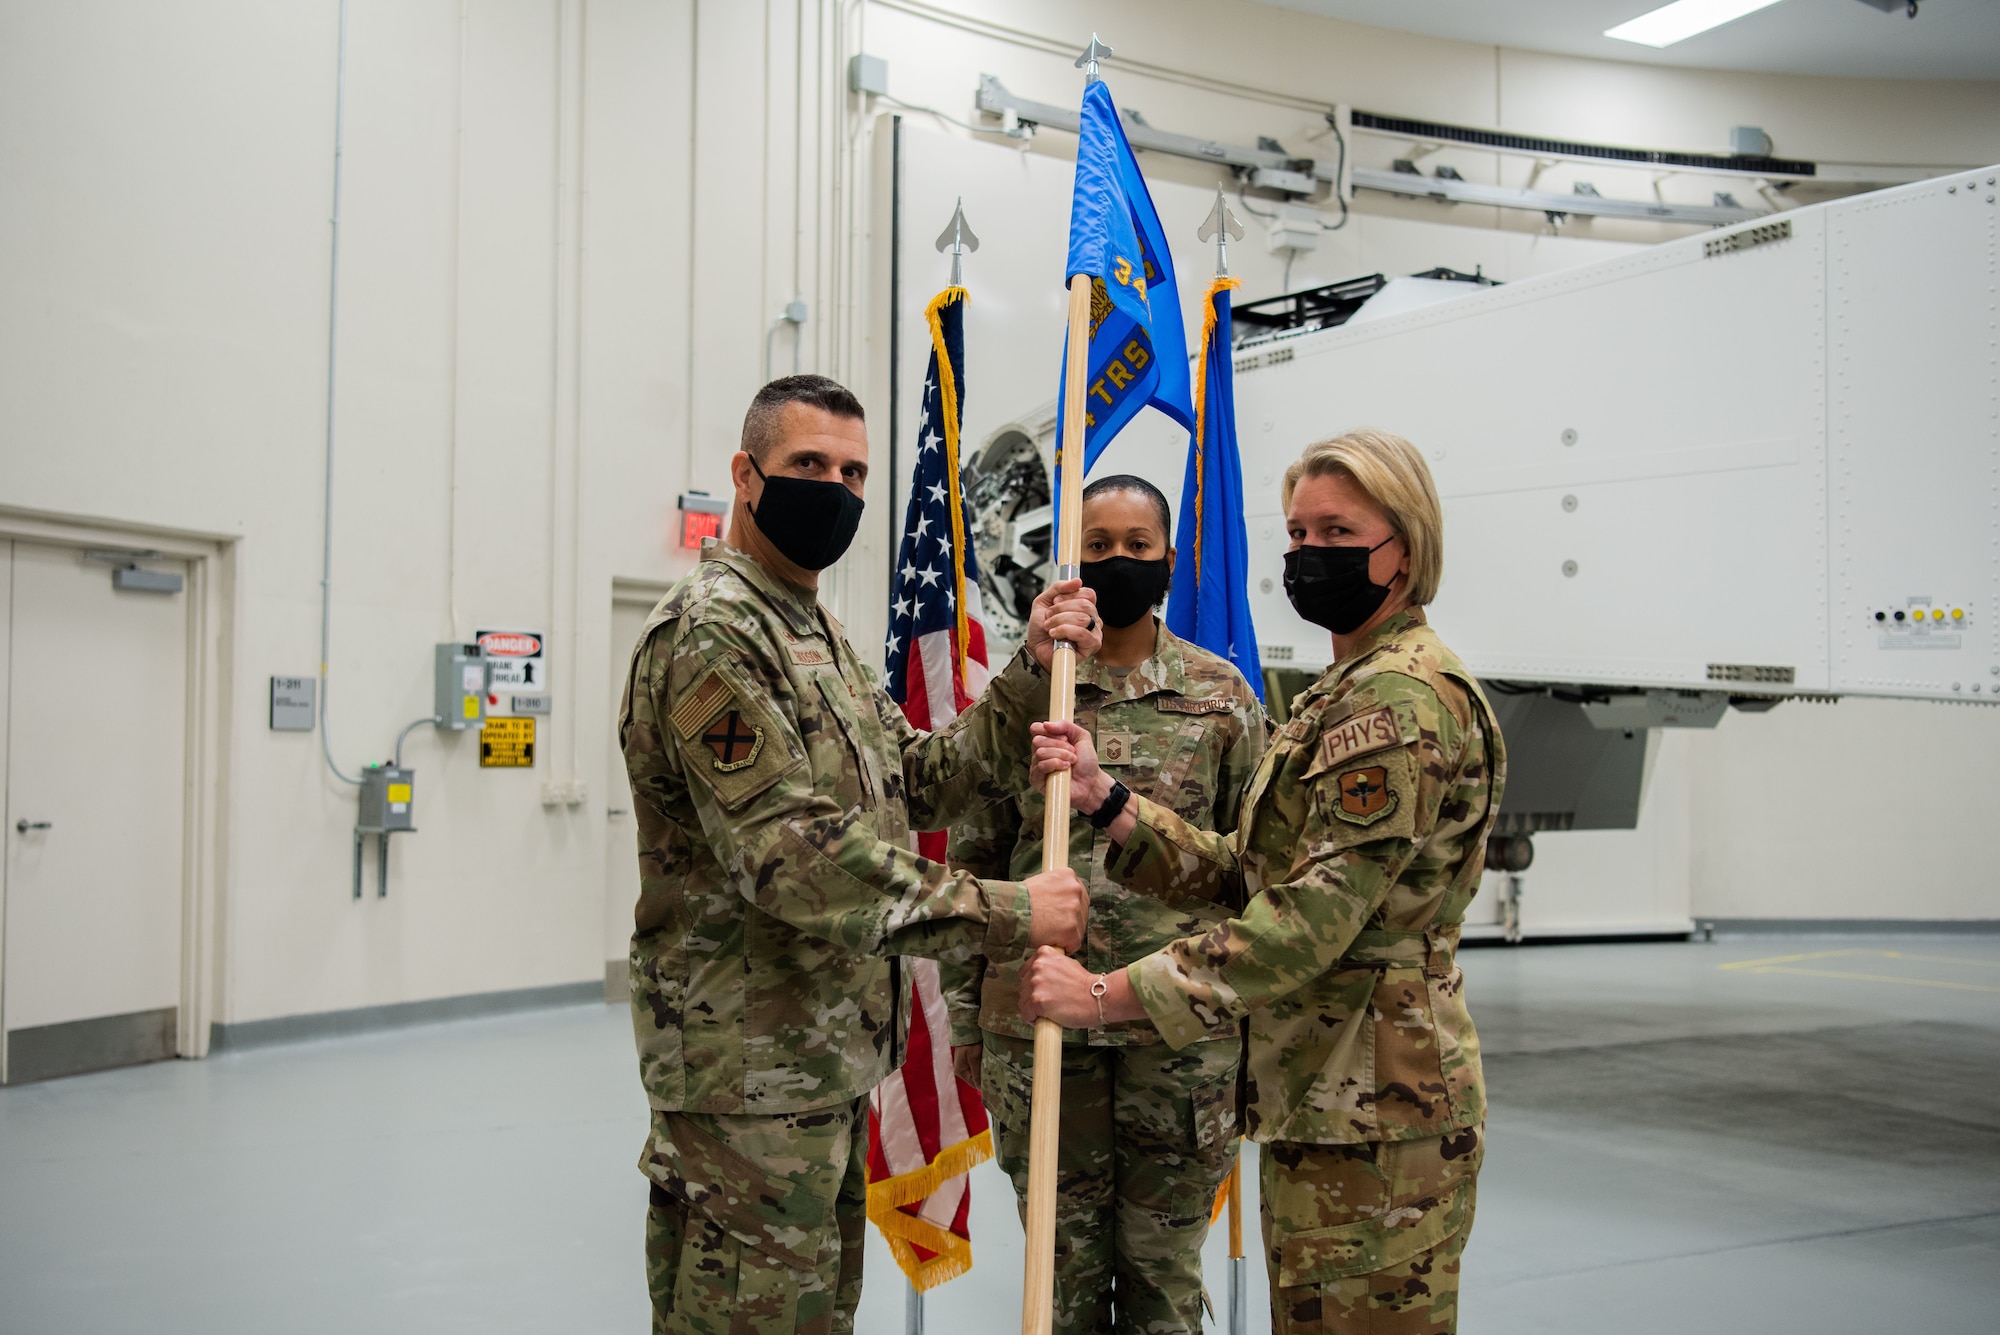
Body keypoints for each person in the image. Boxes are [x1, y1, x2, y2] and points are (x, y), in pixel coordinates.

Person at [618, 374, 1097, 1335]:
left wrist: (1027, 676)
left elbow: (913, 781)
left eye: (852, 471)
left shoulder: (815, 627)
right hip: (748, 1078)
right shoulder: (715, 632)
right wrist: (1008, 913)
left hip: (822, 1061)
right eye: (807, 465)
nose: (833, 488)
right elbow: (790, 853)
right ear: (745, 477)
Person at [1020, 429, 1506, 1335]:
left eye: (1337, 531)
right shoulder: (1345, 687)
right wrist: (1111, 802)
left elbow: (1302, 923)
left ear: (1404, 546)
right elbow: (1250, 872)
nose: (1309, 554)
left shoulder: (1397, 701)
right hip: (1324, 1097)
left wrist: (1103, 994)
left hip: (1376, 1110)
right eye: (1296, 534)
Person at [942, 474, 1267, 1335]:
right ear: (1070, 563)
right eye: (1096, 546)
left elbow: (1254, 876)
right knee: (1060, 1282)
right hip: (1044, 1031)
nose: (1116, 560)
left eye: (1136, 546)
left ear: (1168, 559)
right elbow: (972, 856)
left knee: (1162, 1286)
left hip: (1178, 1038)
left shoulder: (1222, 698)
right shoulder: (1028, 699)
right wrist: (968, 1021)